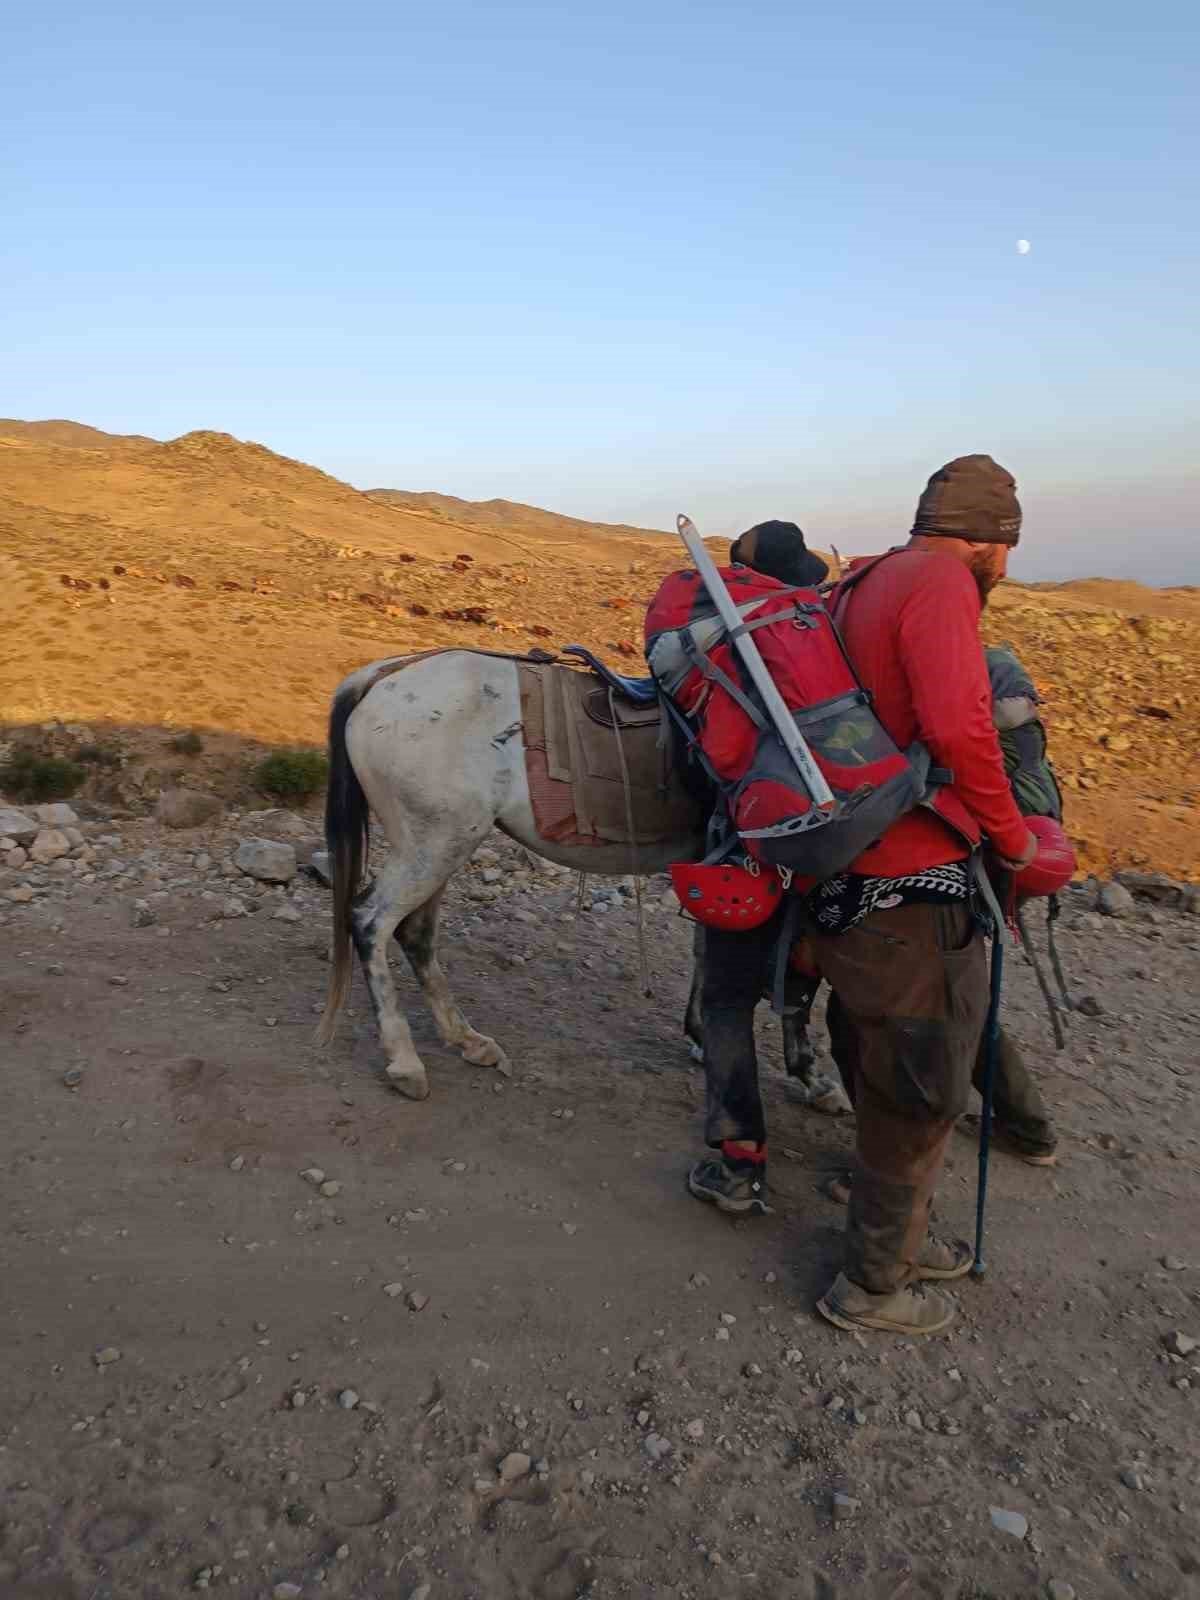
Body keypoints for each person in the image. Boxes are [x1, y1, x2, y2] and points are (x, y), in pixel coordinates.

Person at [688, 454, 1037, 1337]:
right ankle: (873, 1284)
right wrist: (1013, 834)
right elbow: (960, 726)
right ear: (995, 540)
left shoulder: (865, 580)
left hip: (838, 867)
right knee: (923, 1079)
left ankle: (899, 1233)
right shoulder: (943, 583)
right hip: (909, 884)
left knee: (877, 1051)